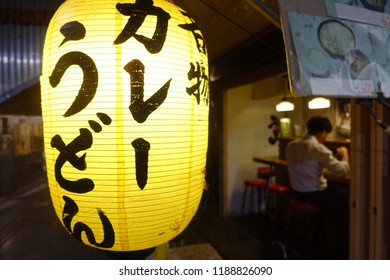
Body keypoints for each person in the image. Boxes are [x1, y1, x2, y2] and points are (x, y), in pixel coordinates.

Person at [285, 116, 350, 208]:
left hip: (296, 193)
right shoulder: (317, 148)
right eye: (327, 135)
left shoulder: (291, 145)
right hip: (315, 196)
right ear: (323, 133)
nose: (326, 138)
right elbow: (341, 172)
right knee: (348, 193)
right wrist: (345, 153)